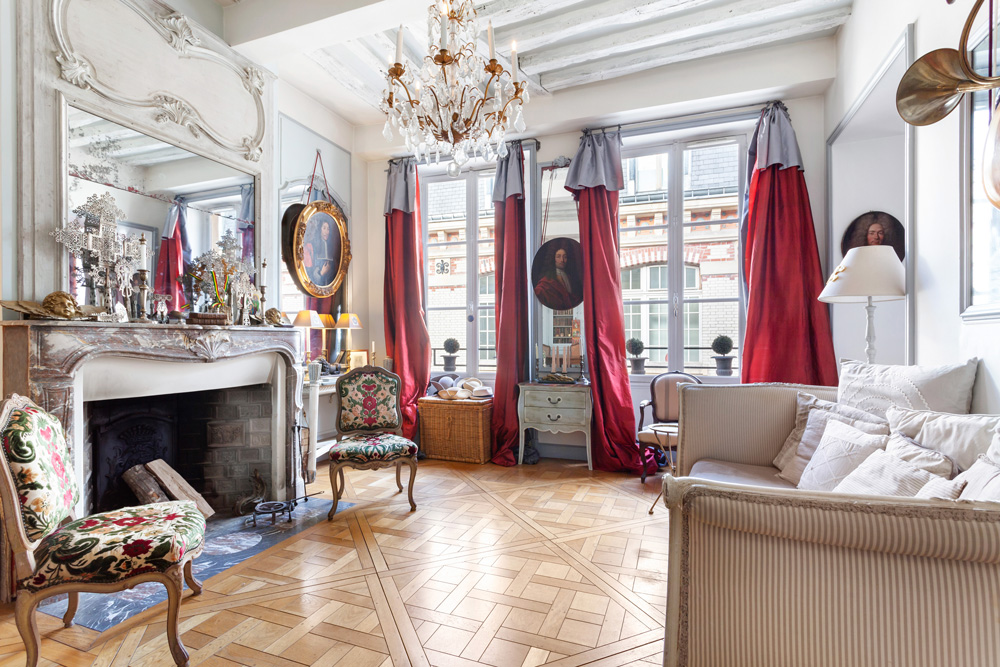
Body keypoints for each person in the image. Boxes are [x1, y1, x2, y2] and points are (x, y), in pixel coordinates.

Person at [534, 244, 581, 310]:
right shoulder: (547, 280)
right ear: (553, 259)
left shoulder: (569, 277)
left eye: (565, 257)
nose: (562, 260)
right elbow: (539, 291)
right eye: (558, 257)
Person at [303, 216, 337, 286]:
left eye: (328, 229)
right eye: (324, 228)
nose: (326, 232)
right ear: (319, 229)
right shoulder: (311, 246)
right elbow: (309, 274)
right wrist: (321, 273)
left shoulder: (332, 247)